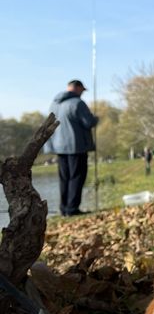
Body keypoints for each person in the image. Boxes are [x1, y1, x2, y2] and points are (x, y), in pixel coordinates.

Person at [44, 79, 99, 217]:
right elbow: (88, 123)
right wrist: (95, 119)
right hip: (76, 146)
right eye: (82, 90)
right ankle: (72, 209)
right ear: (77, 88)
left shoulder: (54, 104)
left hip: (59, 147)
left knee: (65, 178)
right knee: (77, 177)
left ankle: (64, 209)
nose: (82, 93)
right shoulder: (78, 103)